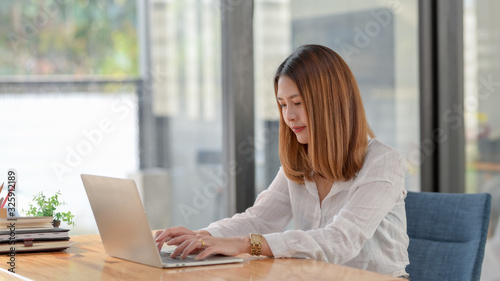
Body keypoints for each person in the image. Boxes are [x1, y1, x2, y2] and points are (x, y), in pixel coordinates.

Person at [155, 44, 410, 278]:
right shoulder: (302, 159)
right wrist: (203, 236)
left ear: (330, 104)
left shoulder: (383, 161)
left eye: (297, 103)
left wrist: (247, 244)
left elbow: (341, 240)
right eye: (282, 104)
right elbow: (260, 219)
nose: (289, 116)